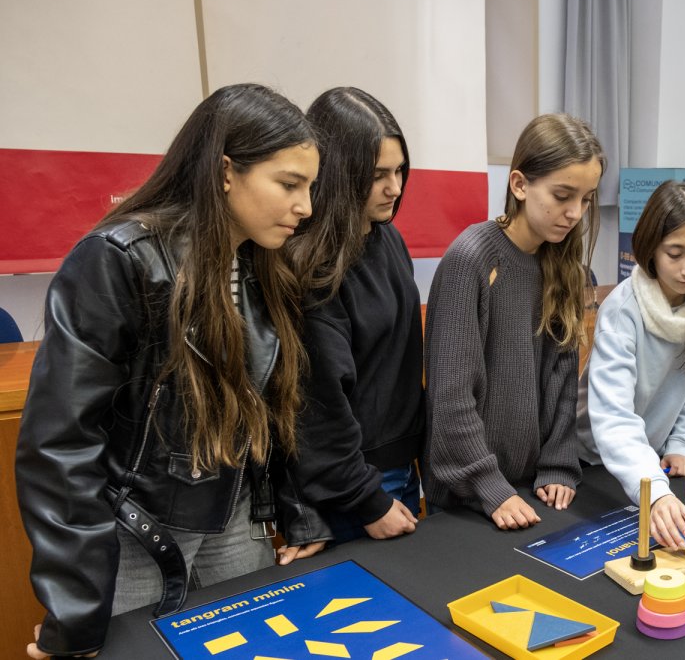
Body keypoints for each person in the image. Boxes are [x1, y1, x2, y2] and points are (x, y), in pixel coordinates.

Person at [16, 84, 330, 659]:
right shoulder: (118, 258)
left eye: (309, 187)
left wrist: (299, 513)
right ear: (225, 171)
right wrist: (78, 614)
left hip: (236, 514)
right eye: (289, 185)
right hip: (137, 530)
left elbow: (275, 408)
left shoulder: (265, 263)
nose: (305, 207)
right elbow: (59, 446)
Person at [423, 113, 603, 530]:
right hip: (467, 496)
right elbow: (451, 399)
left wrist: (559, 461)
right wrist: (490, 485)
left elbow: (561, 380)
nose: (575, 212)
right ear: (520, 185)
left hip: (530, 486)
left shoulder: (564, 267)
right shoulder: (470, 259)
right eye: (562, 195)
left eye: (587, 198)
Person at [283, 87, 423, 544]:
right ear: (339, 173)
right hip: (355, 486)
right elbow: (318, 408)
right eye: (377, 174)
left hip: (400, 468)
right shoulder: (315, 268)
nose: (395, 187)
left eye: (400, 170)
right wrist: (367, 498)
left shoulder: (388, 238)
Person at [577, 181, 685, 549]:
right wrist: (656, 492)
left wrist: (681, 441)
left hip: (651, 456)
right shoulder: (622, 308)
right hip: (593, 456)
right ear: (649, 247)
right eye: (675, 253)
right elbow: (612, 415)